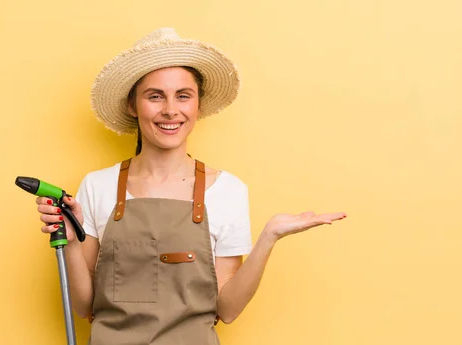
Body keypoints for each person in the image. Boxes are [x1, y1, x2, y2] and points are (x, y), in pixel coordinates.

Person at [33, 28, 347, 345]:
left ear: (197, 104)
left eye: (183, 95)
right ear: (132, 105)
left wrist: (269, 236)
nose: (171, 110)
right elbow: (85, 307)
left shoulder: (227, 190)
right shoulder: (97, 186)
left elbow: (228, 309)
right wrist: (71, 243)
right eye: (155, 96)